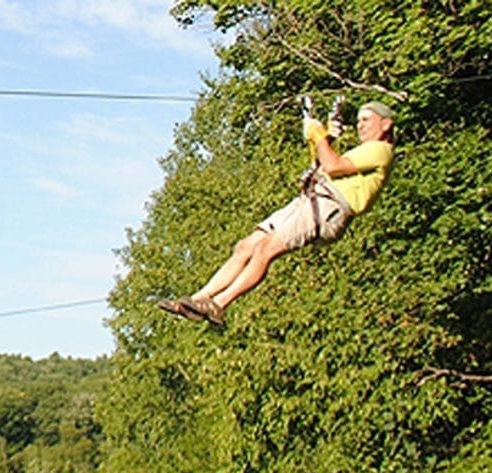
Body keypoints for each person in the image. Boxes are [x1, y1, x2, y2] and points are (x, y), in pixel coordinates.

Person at [158, 100, 396, 326]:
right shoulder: (364, 151)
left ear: (385, 124)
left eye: (366, 120)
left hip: (328, 208)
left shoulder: (380, 150)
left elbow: (333, 166)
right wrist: (325, 139)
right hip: (312, 199)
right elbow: (323, 165)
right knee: (246, 246)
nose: (360, 125)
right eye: (359, 120)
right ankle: (199, 298)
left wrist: (319, 134)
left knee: (266, 249)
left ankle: (219, 303)